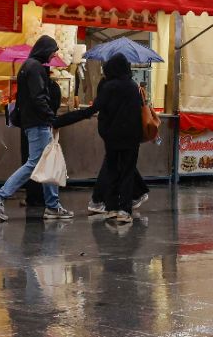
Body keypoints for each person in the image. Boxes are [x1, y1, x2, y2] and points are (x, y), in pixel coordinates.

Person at [0, 35, 72, 221]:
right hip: (39, 123)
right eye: (53, 50)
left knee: (46, 162)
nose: (54, 54)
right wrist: (51, 118)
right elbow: (38, 97)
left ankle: (52, 205)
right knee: (34, 163)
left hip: (34, 122)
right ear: (45, 50)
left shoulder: (28, 66)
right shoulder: (35, 68)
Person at [55, 53, 146, 224]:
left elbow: (92, 110)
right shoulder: (133, 87)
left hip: (111, 138)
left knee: (111, 171)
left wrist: (61, 120)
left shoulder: (108, 87)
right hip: (131, 138)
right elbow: (139, 112)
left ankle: (111, 208)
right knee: (127, 173)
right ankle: (125, 211)